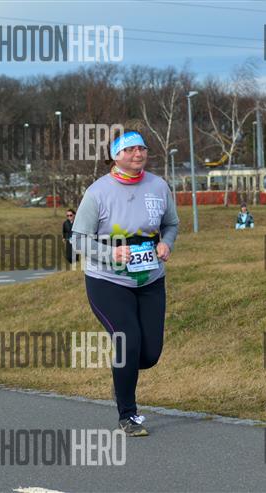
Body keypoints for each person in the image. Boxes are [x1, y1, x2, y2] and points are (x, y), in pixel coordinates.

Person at [72, 129, 179, 437]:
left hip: (150, 278)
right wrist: (111, 253)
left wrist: (166, 243)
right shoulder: (98, 192)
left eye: (142, 148)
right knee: (127, 341)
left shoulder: (158, 186)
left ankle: (123, 375)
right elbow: (78, 240)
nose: (138, 153)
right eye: (130, 149)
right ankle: (127, 415)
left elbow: (171, 224)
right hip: (107, 281)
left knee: (149, 354)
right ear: (115, 156)